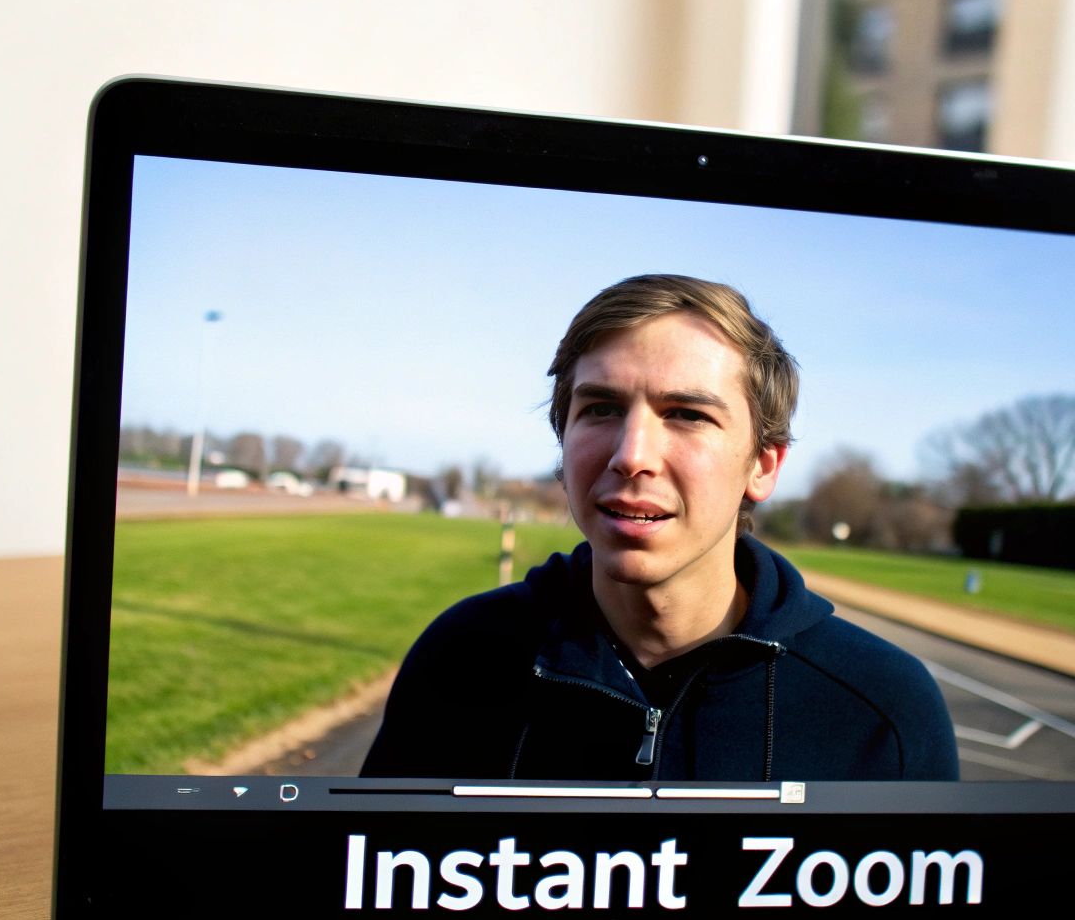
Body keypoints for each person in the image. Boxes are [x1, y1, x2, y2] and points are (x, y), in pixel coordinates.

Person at [360, 275, 957, 782]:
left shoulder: (885, 712)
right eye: (600, 409)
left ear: (763, 464)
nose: (631, 455)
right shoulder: (461, 657)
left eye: (687, 415)